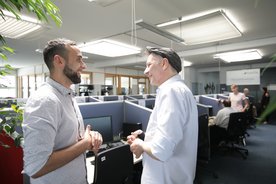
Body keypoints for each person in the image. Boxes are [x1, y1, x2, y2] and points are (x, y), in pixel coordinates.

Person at [22, 38, 103, 184]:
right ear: (59, 61)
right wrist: (85, 143)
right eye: (79, 60)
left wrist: (89, 137)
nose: (83, 66)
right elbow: (37, 167)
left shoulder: (68, 96)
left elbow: (69, 142)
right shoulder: (45, 100)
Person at [127, 46, 198, 184]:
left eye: (149, 65)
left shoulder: (171, 92)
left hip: (164, 177)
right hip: (176, 175)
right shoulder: (181, 90)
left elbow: (161, 150)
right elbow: (174, 133)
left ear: (164, 64)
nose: (145, 71)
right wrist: (146, 136)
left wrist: (140, 144)